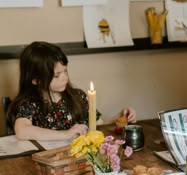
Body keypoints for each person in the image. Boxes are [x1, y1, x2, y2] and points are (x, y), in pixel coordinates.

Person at [8, 41, 136, 141]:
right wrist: (65, 134)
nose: (65, 77)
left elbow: (97, 124)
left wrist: (119, 118)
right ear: (36, 80)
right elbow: (22, 130)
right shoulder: (29, 103)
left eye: (65, 71)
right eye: (57, 75)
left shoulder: (78, 96)